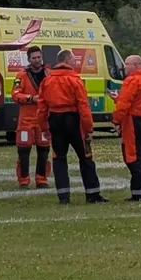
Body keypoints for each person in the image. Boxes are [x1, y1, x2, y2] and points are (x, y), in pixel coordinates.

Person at [40, 49, 107, 204]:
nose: (75, 63)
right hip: (73, 120)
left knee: (59, 159)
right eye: (73, 60)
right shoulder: (75, 80)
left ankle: (63, 197)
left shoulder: (47, 81)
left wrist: (44, 127)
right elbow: (83, 106)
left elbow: (42, 107)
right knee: (86, 157)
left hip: (55, 120)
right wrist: (88, 129)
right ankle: (93, 194)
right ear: (67, 61)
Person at [112, 54, 141, 201]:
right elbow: (139, 101)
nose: (124, 67)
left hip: (133, 122)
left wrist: (116, 121)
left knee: (132, 157)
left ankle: (138, 193)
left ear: (136, 66)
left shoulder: (132, 81)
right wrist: (118, 98)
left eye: (127, 64)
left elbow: (124, 104)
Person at [10, 45, 52, 187]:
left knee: (44, 150)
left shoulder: (49, 74)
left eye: (39, 57)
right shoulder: (21, 75)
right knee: (23, 151)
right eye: (34, 58)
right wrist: (30, 98)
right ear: (28, 59)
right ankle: (23, 180)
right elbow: (15, 94)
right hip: (26, 121)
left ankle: (41, 179)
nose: (37, 60)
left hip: (43, 120)